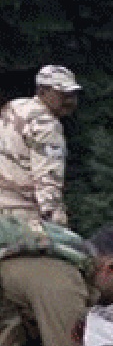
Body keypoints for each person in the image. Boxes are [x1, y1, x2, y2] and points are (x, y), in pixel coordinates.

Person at [0, 66, 81, 226]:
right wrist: (55, 220)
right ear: (43, 91)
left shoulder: (14, 108)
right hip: (23, 213)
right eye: (63, 94)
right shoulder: (46, 124)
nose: (70, 100)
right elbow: (48, 177)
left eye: (73, 94)